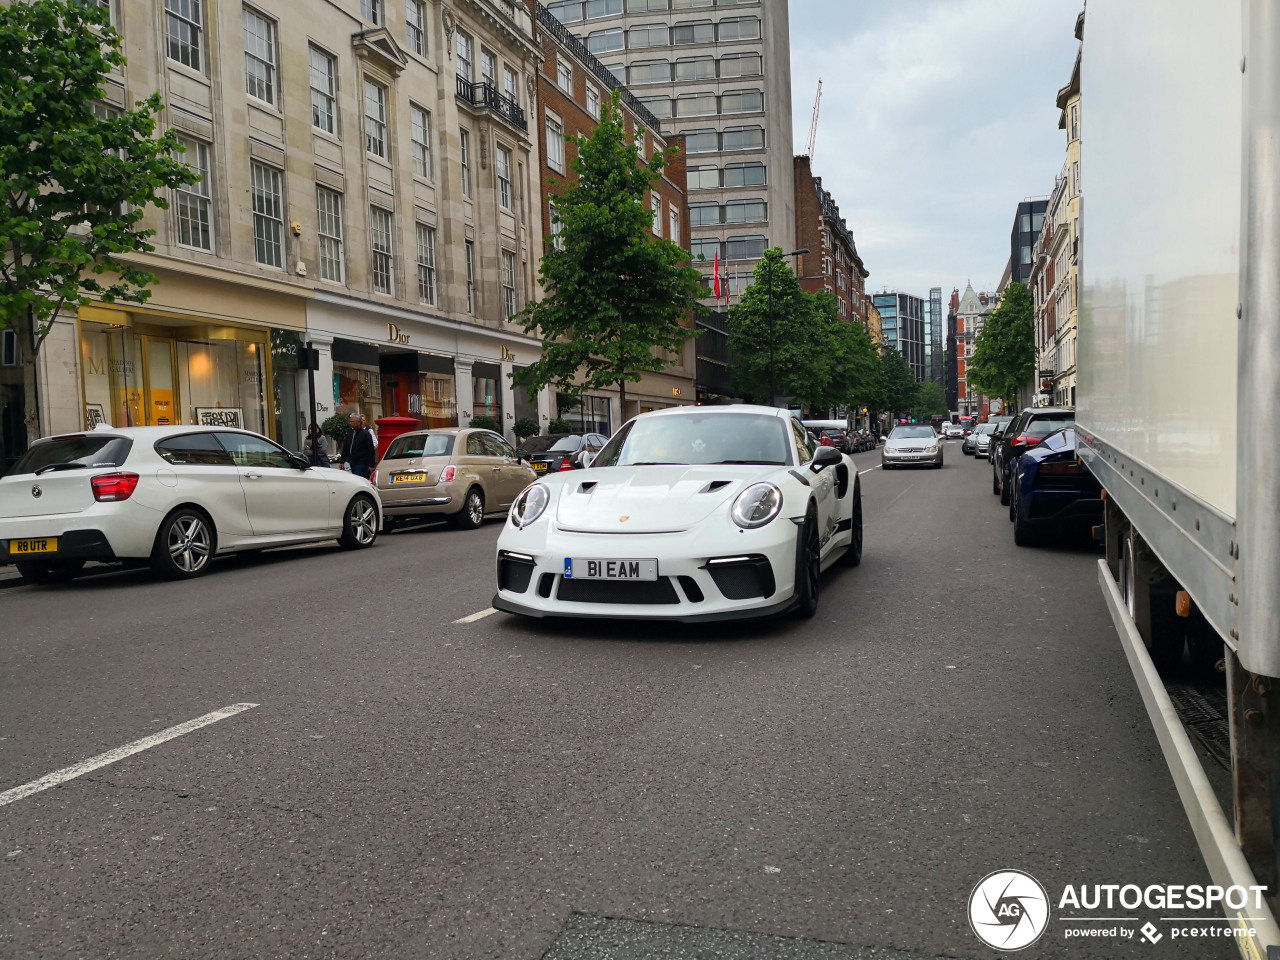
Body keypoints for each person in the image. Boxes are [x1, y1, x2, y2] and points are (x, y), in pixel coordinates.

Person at [341, 412, 375, 480]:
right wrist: (342, 461)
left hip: (362, 462)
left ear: (359, 422)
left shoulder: (365, 434)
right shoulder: (350, 433)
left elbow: (370, 450)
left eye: (352, 421)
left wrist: (371, 465)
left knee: (358, 479)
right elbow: (345, 447)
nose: (350, 423)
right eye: (350, 421)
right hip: (351, 462)